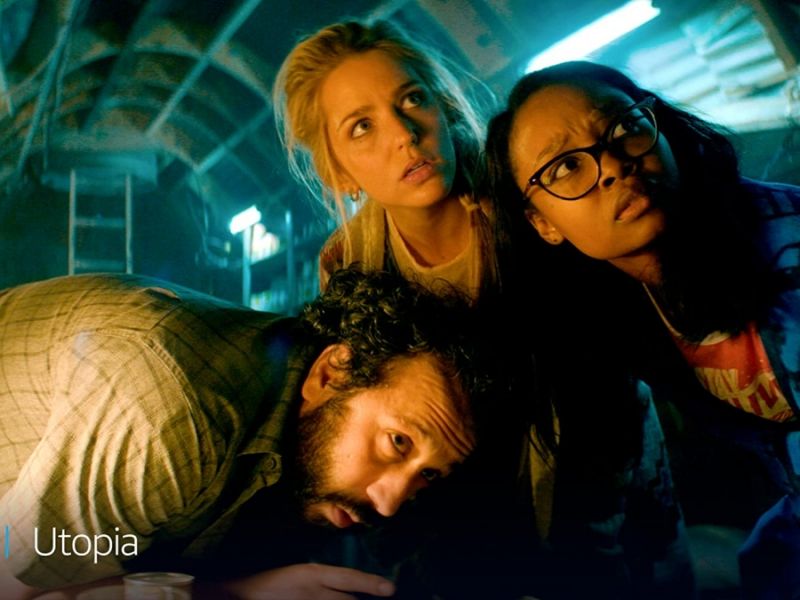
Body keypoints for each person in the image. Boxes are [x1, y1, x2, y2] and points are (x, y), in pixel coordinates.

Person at [484, 59, 800, 598]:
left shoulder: (785, 249)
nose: (612, 165)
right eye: (565, 166)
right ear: (542, 224)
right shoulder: (620, 308)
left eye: (624, 127)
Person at [0, 266, 495, 599]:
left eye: (429, 473)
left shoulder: (305, 450)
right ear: (332, 373)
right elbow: (19, 580)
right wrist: (238, 593)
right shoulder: (174, 415)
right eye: (398, 442)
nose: (389, 503)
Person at [273, 19, 497, 302]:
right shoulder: (344, 264)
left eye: (412, 99)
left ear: (444, 107)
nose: (405, 134)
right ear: (340, 174)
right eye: (362, 126)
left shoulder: (522, 195)